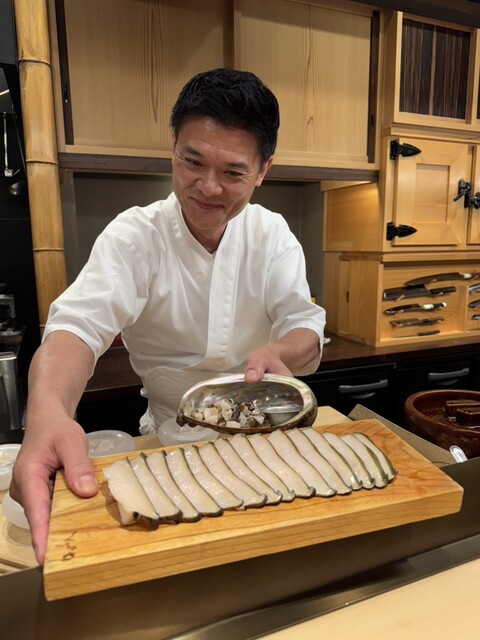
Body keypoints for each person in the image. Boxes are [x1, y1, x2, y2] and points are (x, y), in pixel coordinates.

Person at [11, 68, 325, 564]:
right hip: (167, 446)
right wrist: (47, 411)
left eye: (233, 173)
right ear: (173, 146)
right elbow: (77, 327)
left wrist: (281, 349)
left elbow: (305, 324)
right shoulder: (135, 236)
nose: (208, 187)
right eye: (192, 161)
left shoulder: (272, 235)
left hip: (267, 445)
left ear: (263, 170)